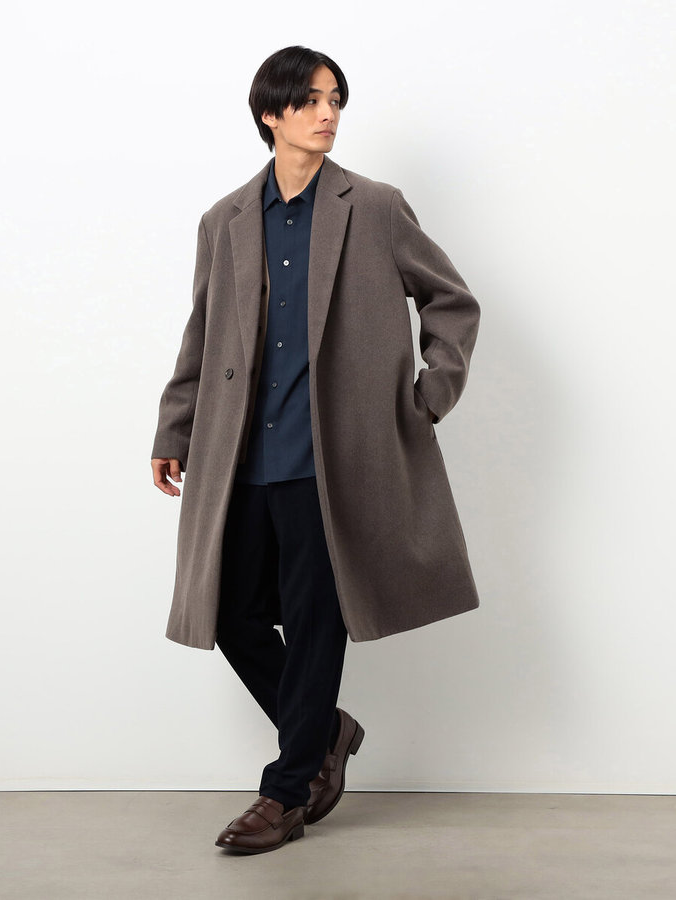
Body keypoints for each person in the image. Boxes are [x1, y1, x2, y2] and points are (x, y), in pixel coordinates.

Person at [150, 45, 481, 854]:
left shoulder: (374, 207)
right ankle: (327, 730)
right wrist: (175, 425)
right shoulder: (226, 220)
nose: (328, 114)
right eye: (309, 101)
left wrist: (428, 397)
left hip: (332, 459)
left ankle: (288, 789)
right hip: (239, 454)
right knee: (229, 611)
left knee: (313, 619)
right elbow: (203, 331)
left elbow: (451, 301)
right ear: (272, 114)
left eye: (335, 99)